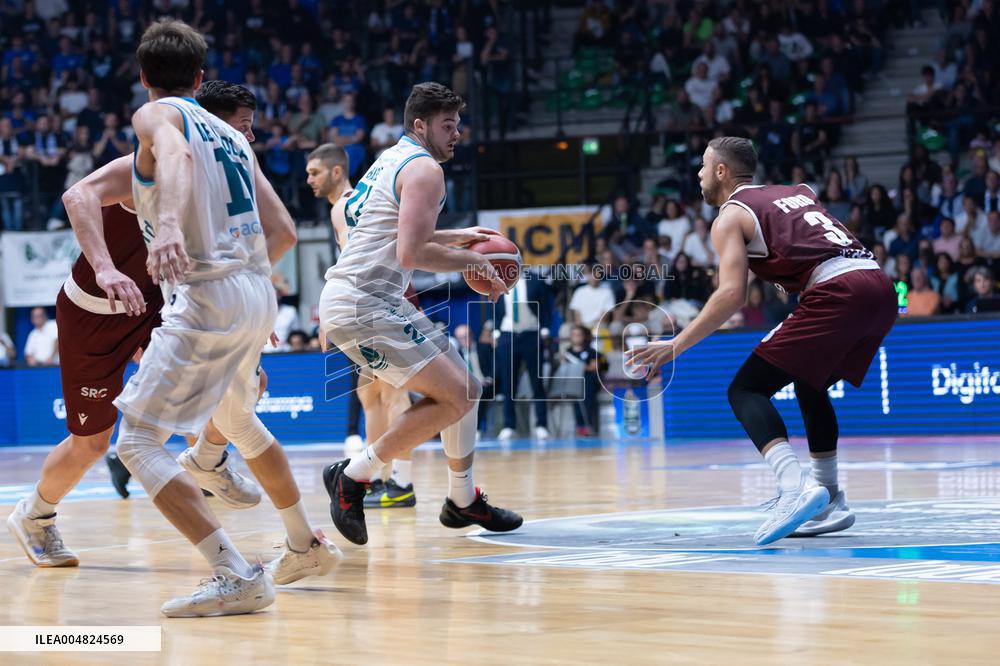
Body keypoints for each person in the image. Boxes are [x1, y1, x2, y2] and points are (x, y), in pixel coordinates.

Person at [117, 22, 331, 617]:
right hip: (255, 287)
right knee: (237, 421)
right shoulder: (237, 138)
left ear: (144, 78)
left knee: (136, 441)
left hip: (207, 287)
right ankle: (272, 516)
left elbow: (177, 154)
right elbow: (284, 230)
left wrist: (164, 229)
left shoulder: (160, 118)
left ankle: (234, 571)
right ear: (201, 76)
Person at [627, 137, 897, 546]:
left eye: (702, 166)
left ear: (721, 171)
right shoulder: (798, 191)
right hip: (878, 283)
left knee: (746, 389)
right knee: (811, 382)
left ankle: (795, 487)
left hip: (837, 290)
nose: (698, 175)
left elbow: (732, 294)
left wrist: (674, 345)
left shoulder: (729, 216)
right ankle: (829, 498)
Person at [319, 82, 523, 546]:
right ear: (420, 125)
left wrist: (455, 238)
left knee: (466, 388)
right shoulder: (426, 169)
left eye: (457, 124)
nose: (457, 134)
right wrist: (476, 262)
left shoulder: (393, 158)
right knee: (454, 396)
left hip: (372, 299)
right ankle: (352, 477)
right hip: (364, 303)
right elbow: (411, 252)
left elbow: (393, 233)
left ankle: (462, 499)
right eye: (448, 125)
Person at [305, 142, 418, 510]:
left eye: (315, 172)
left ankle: (401, 481)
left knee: (392, 394)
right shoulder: (351, 203)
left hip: (380, 299)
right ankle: (377, 477)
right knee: (369, 394)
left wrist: (331, 316)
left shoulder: (345, 206)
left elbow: (355, 265)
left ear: (337, 172)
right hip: (377, 298)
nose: (309, 180)